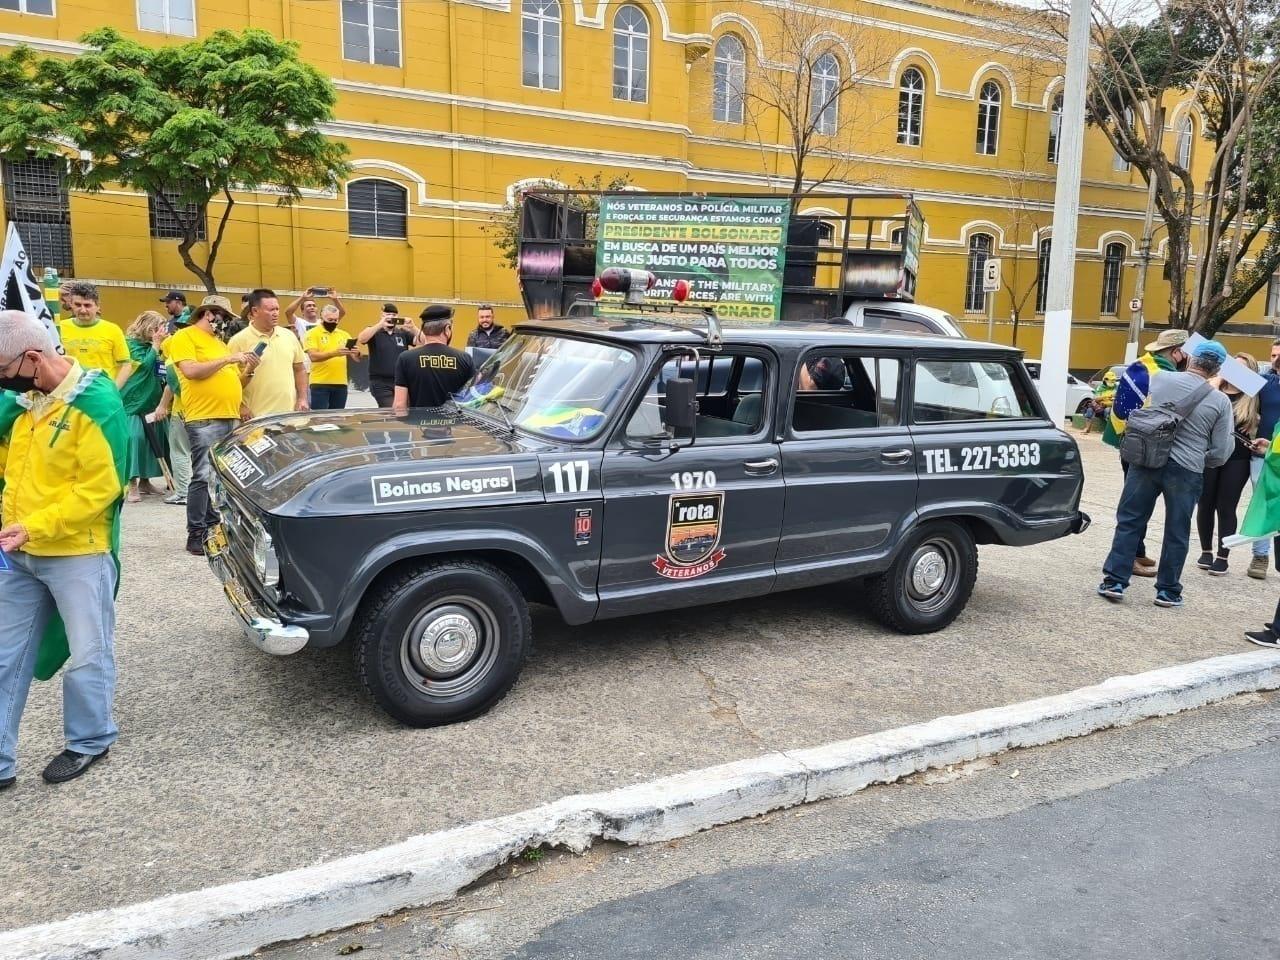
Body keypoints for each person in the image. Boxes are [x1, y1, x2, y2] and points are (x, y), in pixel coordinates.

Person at [0, 308, 128, 788]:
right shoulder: (24, 400)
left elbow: (101, 489)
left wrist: (34, 526)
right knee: (5, 654)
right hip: (19, 552)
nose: (1, 383)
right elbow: (11, 469)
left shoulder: (96, 403)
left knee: (88, 653)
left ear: (33, 358)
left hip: (78, 553)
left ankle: (89, 740)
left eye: (2, 372)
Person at [1098, 339, 1234, 608]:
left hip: (1147, 460)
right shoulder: (1220, 402)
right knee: (1177, 530)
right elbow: (1221, 451)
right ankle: (1168, 591)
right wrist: (1199, 458)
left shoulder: (1160, 379)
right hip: (1187, 470)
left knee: (1130, 520)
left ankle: (1114, 581)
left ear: (1191, 359)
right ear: (1217, 369)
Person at [165, 299, 258, 555]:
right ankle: (195, 533)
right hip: (205, 416)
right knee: (203, 474)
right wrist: (229, 358)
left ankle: (211, 524)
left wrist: (248, 369)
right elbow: (191, 371)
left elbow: (231, 380)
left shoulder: (218, 344)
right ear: (208, 314)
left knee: (218, 476)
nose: (225, 323)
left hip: (227, 415)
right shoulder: (185, 336)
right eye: (222, 317)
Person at [1101, 329, 1191, 578]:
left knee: (1135, 504)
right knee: (1137, 506)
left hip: (1129, 442)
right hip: (1145, 447)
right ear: (1176, 352)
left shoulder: (1143, 364)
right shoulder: (1162, 374)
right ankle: (1129, 557)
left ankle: (1137, 551)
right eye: (1186, 352)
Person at [1194, 353, 1261, 576]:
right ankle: (1206, 551)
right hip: (1211, 455)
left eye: (1240, 368)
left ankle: (1223, 556)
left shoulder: (1252, 396)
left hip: (1238, 459)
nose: (1233, 372)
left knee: (1226, 506)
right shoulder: (1213, 389)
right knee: (1205, 503)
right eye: (1232, 366)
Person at [227, 288, 309, 419]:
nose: (276, 313)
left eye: (277, 309)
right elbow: (228, 383)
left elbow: (299, 369)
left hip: (288, 416)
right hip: (255, 419)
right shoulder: (237, 341)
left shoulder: (289, 336)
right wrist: (240, 406)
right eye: (270, 310)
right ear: (254, 311)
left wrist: (302, 398)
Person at [120, 311, 170, 503]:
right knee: (136, 440)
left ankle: (145, 482)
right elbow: (143, 367)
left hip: (152, 399)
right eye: (158, 327)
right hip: (133, 401)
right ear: (148, 327)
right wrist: (156, 346)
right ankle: (131, 484)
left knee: (154, 440)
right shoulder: (129, 345)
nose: (161, 332)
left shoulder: (156, 346)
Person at [393, 306, 474, 413]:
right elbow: (473, 401)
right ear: (447, 329)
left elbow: (399, 405)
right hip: (454, 426)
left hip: (419, 425)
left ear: (424, 330)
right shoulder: (465, 359)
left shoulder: (405, 358)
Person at [1246, 338, 1280, 579]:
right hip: (1264, 453)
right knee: (1265, 504)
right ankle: (1260, 555)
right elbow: (1222, 370)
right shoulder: (1266, 382)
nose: (1275, 358)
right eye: (1273, 354)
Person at [58, 281, 132, 390]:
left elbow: (126, 365)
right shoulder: (59, 328)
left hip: (101, 391)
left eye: (87, 305)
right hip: (68, 392)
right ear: (71, 305)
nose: (83, 310)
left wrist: (114, 390)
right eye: (78, 305)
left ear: (97, 306)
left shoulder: (112, 330)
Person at [358, 303, 417, 408]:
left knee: (405, 410)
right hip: (380, 382)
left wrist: (413, 327)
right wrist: (380, 324)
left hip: (401, 381)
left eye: (394, 315)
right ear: (382, 315)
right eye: (388, 314)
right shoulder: (374, 331)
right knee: (390, 410)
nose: (391, 317)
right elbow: (362, 339)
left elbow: (423, 341)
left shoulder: (402, 332)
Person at [304, 305, 361, 410]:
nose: (333, 323)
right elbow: (313, 356)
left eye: (336, 320)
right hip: (320, 383)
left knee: (337, 418)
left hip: (341, 383)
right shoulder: (312, 333)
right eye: (330, 320)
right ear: (321, 318)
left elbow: (356, 359)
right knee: (320, 419)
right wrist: (334, 353)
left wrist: (356, 353)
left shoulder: (344, 334)